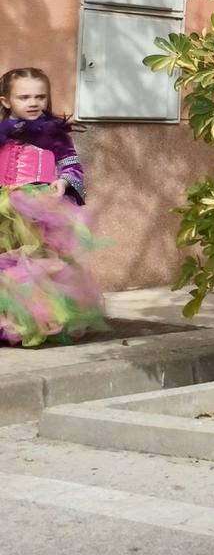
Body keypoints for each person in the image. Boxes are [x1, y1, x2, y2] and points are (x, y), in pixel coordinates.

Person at [0, 67, 104, 346]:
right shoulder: (1, 133)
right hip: (3, 207)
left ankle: (37, 321)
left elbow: (71, 164)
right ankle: (6, 322)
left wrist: (64, 182)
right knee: (6, 263)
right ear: (6, 101)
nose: (33, 103)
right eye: (24, 97)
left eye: (40, 97)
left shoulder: (55, 135)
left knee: (36, 263)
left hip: (39, 206)